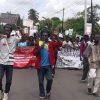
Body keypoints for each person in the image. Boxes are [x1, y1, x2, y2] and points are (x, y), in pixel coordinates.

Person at [33, 29, 64, 100]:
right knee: (40, 82)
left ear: (48, 36)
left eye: (46, 35)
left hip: (49, 66)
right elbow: (34, 53)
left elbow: (60, 44)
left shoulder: (51, 43)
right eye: (43, 35)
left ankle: (48, 90)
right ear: (41, 36)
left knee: (50, 79)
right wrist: (39, 48)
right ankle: (42, 94)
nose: (44, 37)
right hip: (40, 66)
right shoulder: (39, 43)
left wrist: (57, 36)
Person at [0, 24, 21, 100]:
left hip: (10, 62)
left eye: (8, 30)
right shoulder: (1, 39)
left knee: (9, 80)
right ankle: (1, 90)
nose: (7, 31)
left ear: (11, 31)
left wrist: (20, 30)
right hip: (1, 62)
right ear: (3, 30)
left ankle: (6, 93)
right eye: (5, 30)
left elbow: (22, 38)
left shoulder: (14, 38)